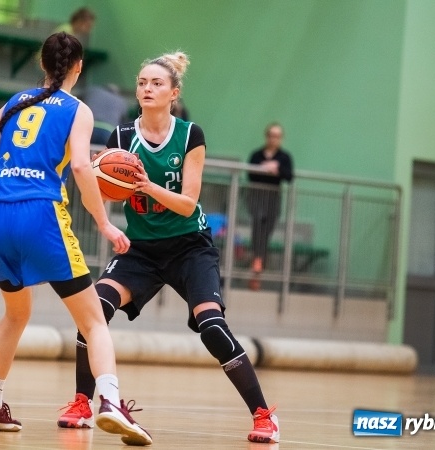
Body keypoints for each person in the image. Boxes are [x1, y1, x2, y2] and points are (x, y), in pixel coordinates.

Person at [56, 51, 280, 444]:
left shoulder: (190, 135)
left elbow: (188, 204)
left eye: (156, 83)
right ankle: (81, 403)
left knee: (212, 328)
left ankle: (264, 415)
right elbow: (106, 195)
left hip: (190, 247)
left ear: (173, 93)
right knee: (94, 310)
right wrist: (98, 180)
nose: (147, 88)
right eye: (142, 82)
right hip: (140, 249)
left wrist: (146, 185)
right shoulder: (121, 138)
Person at [0, 32, 152, 446]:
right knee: (93, 321)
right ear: (78, 67)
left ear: (42, 64)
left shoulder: (14, 102)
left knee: (15, 315)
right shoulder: (77, 110)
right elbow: (81, 167)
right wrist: (104, 223)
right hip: (41, 214)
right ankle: (110, 401)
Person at [246, 122, 294, 291]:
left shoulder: (284, 157)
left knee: (267, 231)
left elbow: (289, 176)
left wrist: (277, 169)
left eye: (277, 136)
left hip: (273, 198)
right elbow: (250, 173)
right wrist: (264, 168)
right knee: (258, 225)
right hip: (257, 196)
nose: (274, 139)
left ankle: (257, 261)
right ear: (267, 136)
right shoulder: (257, 155)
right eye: (272, 135)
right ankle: (257, 262)